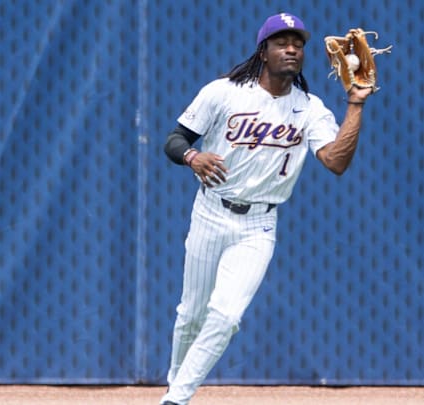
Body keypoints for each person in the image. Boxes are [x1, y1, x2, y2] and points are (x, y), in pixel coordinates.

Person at [159, 12, 372, 405]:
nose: (291, 48)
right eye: (281, 42)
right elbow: (175, 139)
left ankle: (176, 399)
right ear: (263, 51)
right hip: (210, 213)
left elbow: (336, 162)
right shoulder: (223, 92)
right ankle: (176, 385)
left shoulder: (309, 109)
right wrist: (192, 157)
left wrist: (355, 105)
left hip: (258, 224)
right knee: (190, 315)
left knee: (225, 316)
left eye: (298, 44)